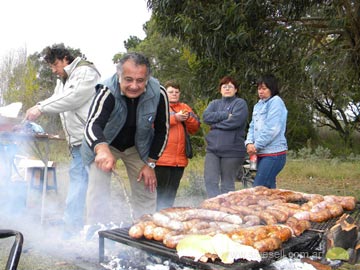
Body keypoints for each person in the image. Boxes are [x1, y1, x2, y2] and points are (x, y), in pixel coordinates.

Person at [81, 52, 169, 224]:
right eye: (128, 79)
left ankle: (145, 232)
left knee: (147, 189)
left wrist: (150, 164)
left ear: (147, 78)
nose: (134, 86)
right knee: (97, 190)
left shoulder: (159, 93)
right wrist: (101, 149)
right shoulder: (106, 90)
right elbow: (92, 124)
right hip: (106, 144)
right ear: (119, 75)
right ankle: (96, 233)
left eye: (140, 80)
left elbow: (162, 131)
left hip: (138, 147)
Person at [25, 43, 101, 237]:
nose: (53, 70)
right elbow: (57, 99)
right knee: (79, 183)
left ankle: (88, 231)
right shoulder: (63, 78)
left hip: (90, 138)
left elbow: (73, 97)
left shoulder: (85, 71)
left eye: (54, 65)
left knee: (91, 186)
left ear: (64, 59)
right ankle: (74, 229)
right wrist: (39, 107)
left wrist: (40, 107)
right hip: (76, 141)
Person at [155, 81, 200, 211]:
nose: (174, 94)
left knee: (171, 193)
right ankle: (154, 217)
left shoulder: (184, 107)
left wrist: (187, 118)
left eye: (176, 92)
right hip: (161, 159)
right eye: (170, 92)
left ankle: (166, 216)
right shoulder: (158, 105)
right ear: (164, 93)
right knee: (158, 193)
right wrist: (175, 118)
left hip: (179, 161)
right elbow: (153, 124)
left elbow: (195, 127)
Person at [202, 76, 248, 198]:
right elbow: (206, 117)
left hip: (232, 151)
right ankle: (214, 207)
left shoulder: (240, 103)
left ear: (236, 89)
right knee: (210, 180)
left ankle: (227, 211)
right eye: (224, 86)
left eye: (230, 86)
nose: (227, 88)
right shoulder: (214, 103)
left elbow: (235, 122)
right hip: (213, 150)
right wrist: (225, 115)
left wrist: (215, 124)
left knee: (227, 185)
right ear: (220, 90)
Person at [245, 74, 288, 189]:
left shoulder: (276, 102)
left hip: (274, 154)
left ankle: (255, 207)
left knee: (258, 188)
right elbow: (252, 126)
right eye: (259, 89)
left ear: (272, 88)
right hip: (260, 153)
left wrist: (256, 145)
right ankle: (275, 207)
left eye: (264, 88)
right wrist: (249, 143)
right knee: (269, 189)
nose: (261, 91)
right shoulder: (257, 106)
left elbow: (272, 129)